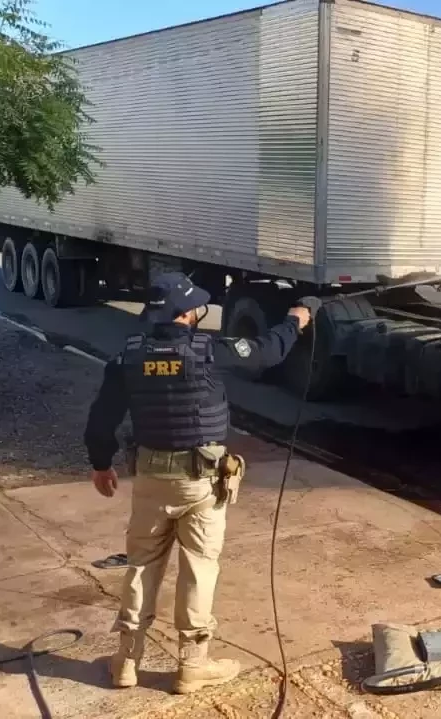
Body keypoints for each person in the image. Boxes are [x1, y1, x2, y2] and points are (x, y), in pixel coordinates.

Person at [83, 272, 312, 694]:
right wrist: (297, 318)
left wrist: (101, 464)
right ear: (187, 313)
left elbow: (102, 418)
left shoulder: (128, 357)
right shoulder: (208, 350)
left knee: (141, 567)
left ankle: (126, 663)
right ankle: (192, 666)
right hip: (201, 483)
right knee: (198, 569)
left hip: (151, 479)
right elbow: (266, 352)